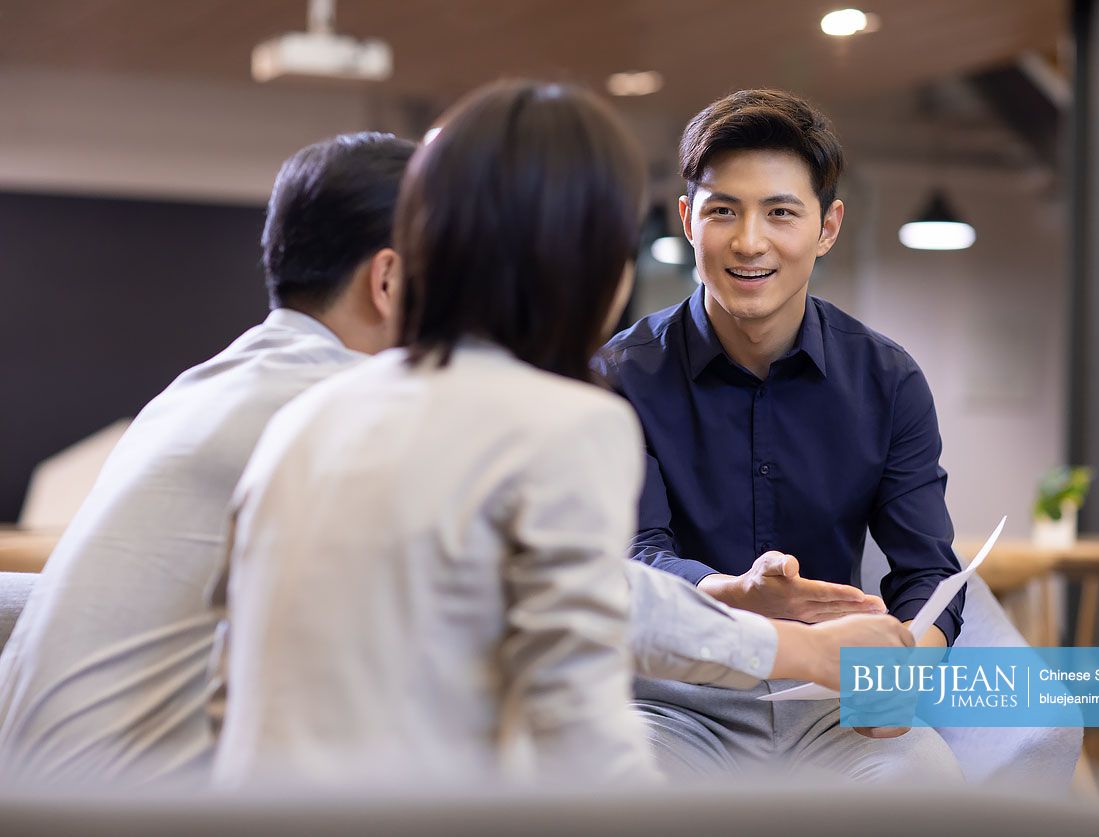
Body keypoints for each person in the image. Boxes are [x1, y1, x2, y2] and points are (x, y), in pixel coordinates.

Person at [0, 128, 892, 786]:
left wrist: (789, 633)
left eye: (781, 213)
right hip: (142, 795)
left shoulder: (219, 385)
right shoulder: (349, 411)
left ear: (826, 227)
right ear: (392, 280)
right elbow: (585, 599)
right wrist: (807, 651)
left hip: (86, 779)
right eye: (468, 265)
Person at [594, 89, 966, 779]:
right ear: (686, 219)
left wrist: (912, 661)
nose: (748, 241)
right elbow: (636, 555)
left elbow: (929, 572)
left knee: (927, 781)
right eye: (722, 210)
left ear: (827, 228)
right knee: (612, 785)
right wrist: (737, 591)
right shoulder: (620, 375)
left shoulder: (887, 380)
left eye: (780, 212)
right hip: (675, 698)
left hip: (827, 698)